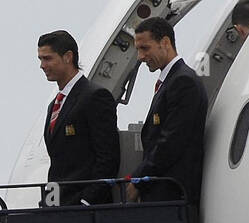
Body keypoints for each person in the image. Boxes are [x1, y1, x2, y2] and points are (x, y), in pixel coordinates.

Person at [126, 17, 208, 206]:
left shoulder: (182, 82)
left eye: (145, 48)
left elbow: (171, 141)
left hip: (172, 195)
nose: (140, 57)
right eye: (138, 50)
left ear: (165, 43)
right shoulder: (172, 81)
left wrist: (139, 179)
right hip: (162, 194)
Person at [37, 30, 120, 206]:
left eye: (47, 58)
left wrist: (87, 201)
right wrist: (48, 203)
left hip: (86, 211)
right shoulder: (54, 105)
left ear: (68, 57)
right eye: (40, 59)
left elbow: (108, 158)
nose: (42, 65)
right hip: (59, 205)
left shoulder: (95, 97)